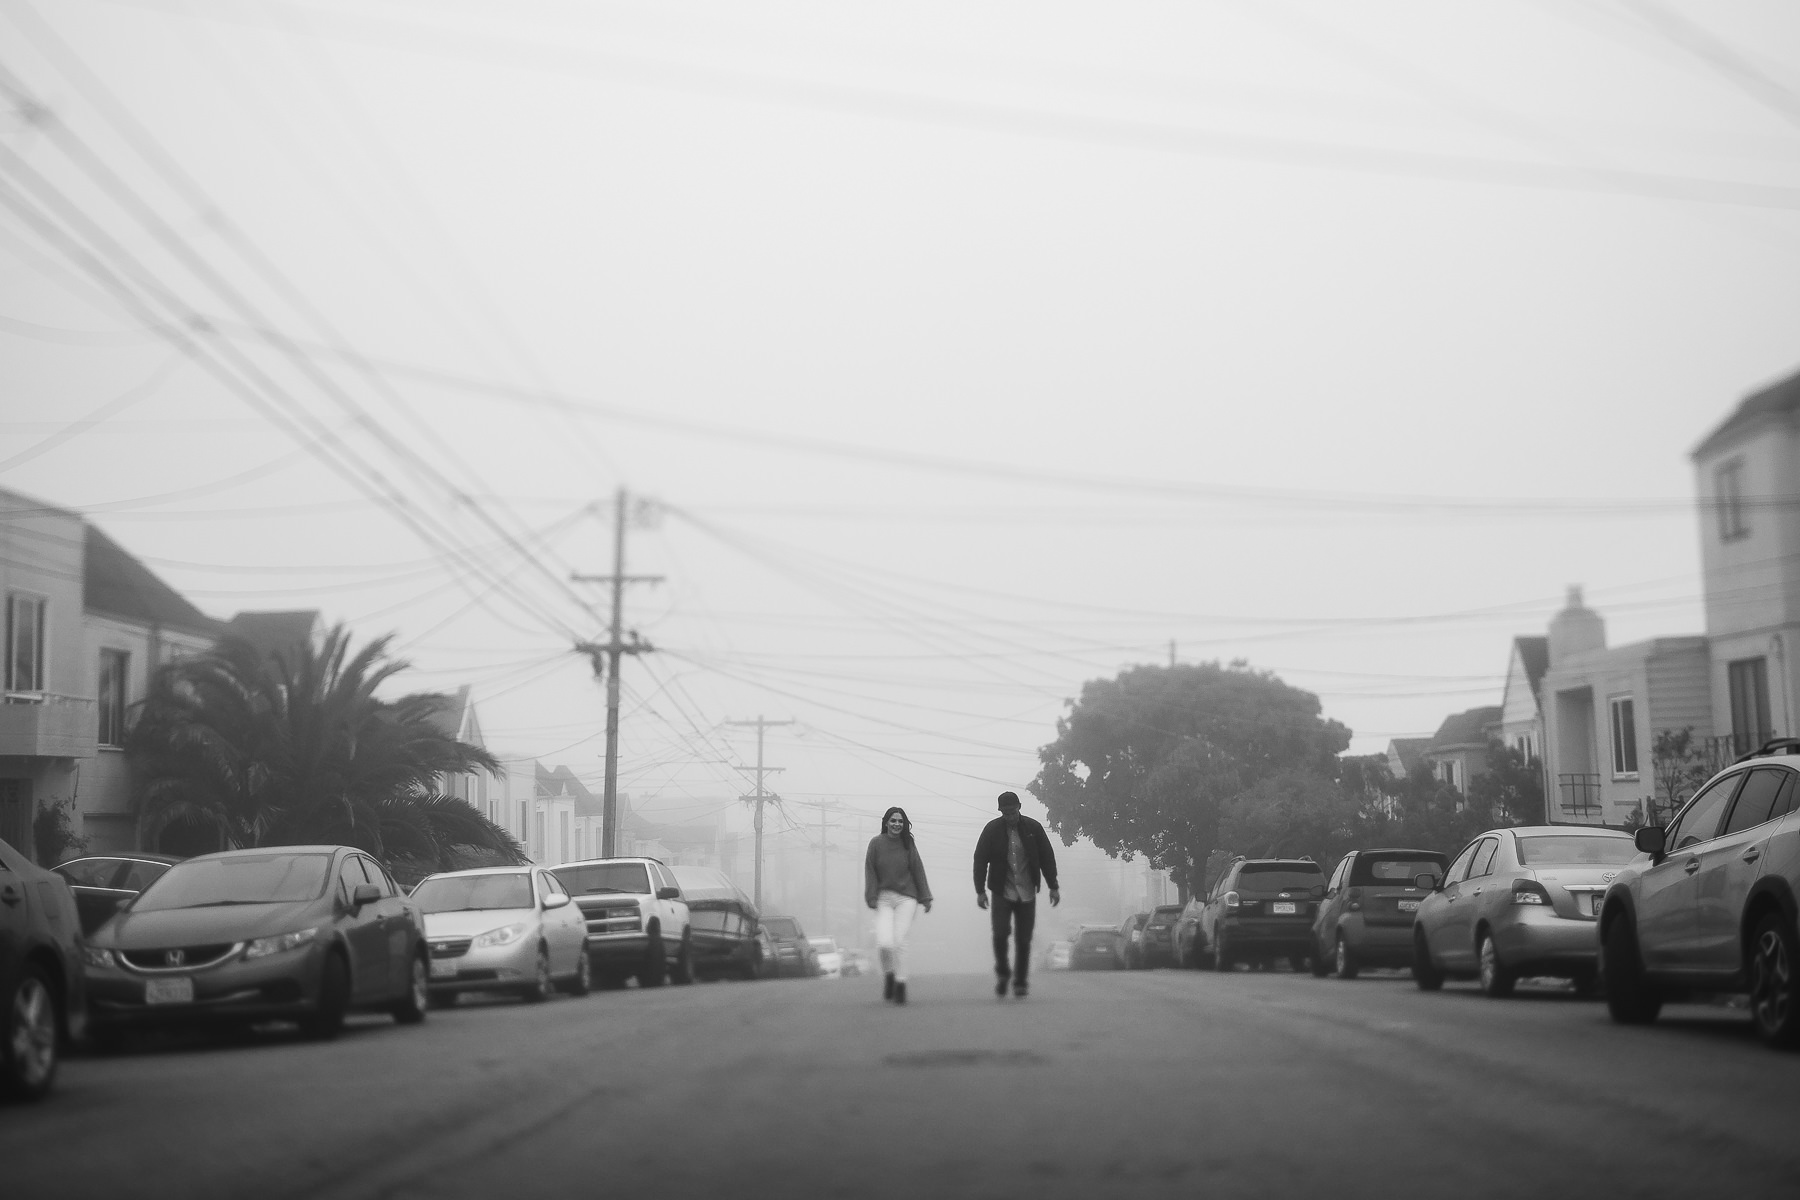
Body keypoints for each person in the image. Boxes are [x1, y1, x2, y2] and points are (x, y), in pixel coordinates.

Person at [973, 791, 1060, 999]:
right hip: (1002, 891)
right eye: (1005, 812)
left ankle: (1020, 982)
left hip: (1027, 891)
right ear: (1000, 811)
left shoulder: (1033, 828)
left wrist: (1053, 886)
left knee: (1024, 939)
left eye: (1012, 811)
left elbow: (1047, 856)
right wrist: (980, 891)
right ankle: (1003, 973)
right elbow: (980, 860)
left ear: (1019, 807)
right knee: (1000, 934)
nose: (1010, 816)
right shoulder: (992, 830)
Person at [864, 806, 932, 1004]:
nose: (896, 824)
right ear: (886, 823)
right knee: (884, 942)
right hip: (884, 897)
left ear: (904, 825)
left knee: (900, 941)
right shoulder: (876, 844)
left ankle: (901, 983)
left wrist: (925, 897)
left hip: (906, 898)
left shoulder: (907, 844)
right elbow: (870, 870)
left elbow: (918, 869)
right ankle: (889, 975)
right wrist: (871, 896)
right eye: (893, 821)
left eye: (900, 821)